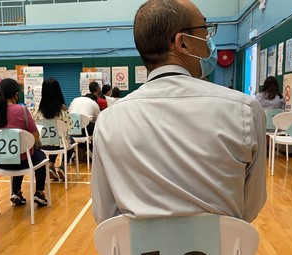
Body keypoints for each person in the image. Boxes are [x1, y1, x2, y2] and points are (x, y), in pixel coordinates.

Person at [91, 0, 267, 225]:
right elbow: (249, 208)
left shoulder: (108, 121)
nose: (208, 41)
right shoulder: (245, 111)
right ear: (182, 43)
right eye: (205, 31)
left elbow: (105, 216)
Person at [0, 78, 48, 207]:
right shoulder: (22, 110)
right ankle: (39, 193)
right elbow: (35, 136)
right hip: (23, 162)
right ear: (16, 94)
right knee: (40, 156)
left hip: (0, 163)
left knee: (17, 154)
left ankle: (16, 191)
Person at [32, 77, 74, 181]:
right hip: (59, 145)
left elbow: (33, 123)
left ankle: (51, 165)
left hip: (42, 145)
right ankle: (62, 166)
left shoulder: (37, 108)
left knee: (53, 141)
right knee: (69, 140)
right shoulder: (62, 108)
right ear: (58, 91)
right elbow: (69, 126)